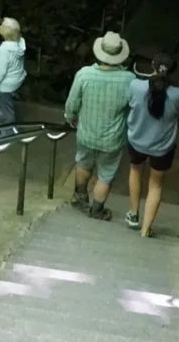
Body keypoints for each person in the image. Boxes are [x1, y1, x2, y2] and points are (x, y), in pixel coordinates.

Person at [64, 31, 136, 221]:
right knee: (106, 174)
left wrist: (72, 119)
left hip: (86, 133)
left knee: (83, 163)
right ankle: (97, 210)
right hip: (112, 138)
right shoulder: (129, 80)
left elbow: (72, 105)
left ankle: (80, 198)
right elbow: (133, 109)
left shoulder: (84, 74)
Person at [125, 53, 179, 237]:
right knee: (156, 185)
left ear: (152, 65)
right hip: (162, 147)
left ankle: (133, 214)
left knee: (135, 171)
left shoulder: (136, 86)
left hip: (137, 140)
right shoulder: (178, 94)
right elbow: (178, 114)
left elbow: (130, 104)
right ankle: (145, 229)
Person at [0, 17, 27, 124]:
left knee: (5, 112)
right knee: (11, 105)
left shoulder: (4, 51)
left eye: (2, 25)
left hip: (6, 86)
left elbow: (1, 71)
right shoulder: (19, 44)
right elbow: (10, 54)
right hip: (16, 81)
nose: (0, 26)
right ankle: (15, 126)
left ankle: (7, 135)